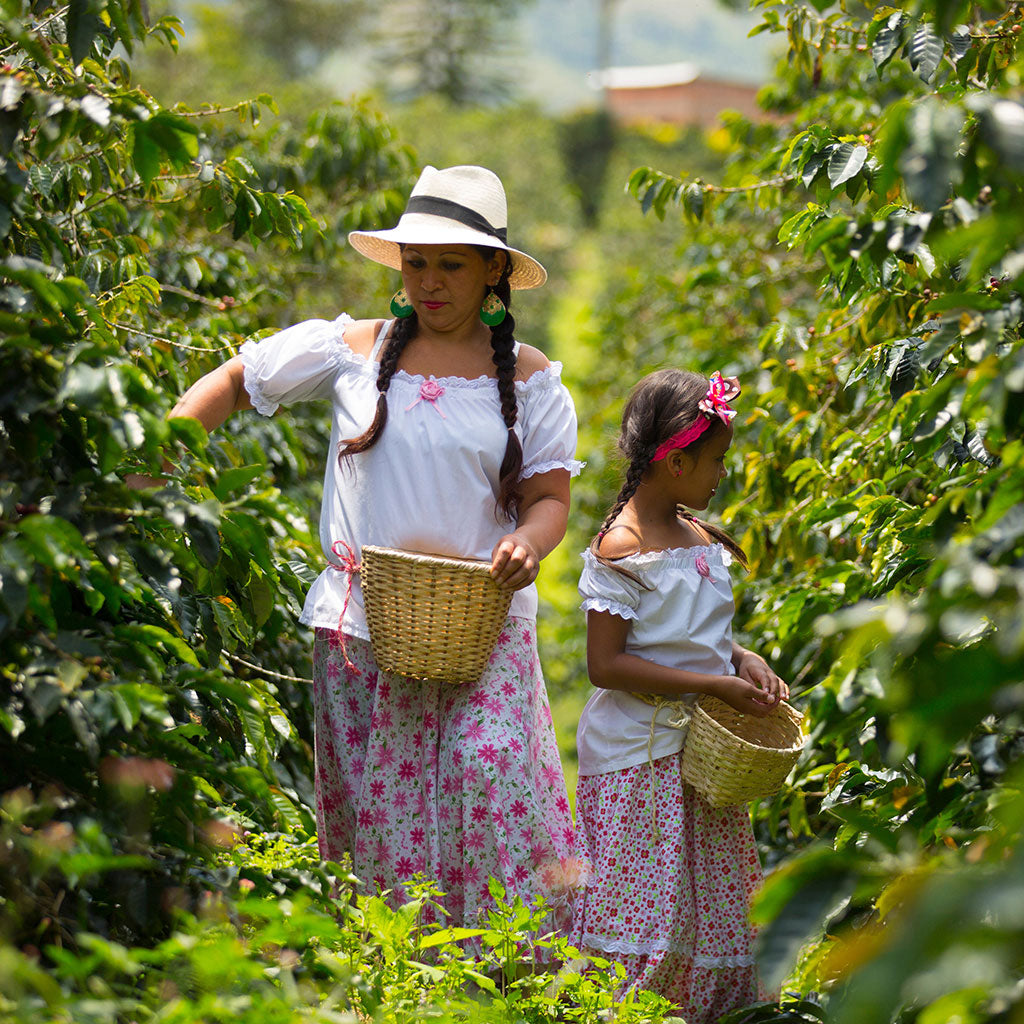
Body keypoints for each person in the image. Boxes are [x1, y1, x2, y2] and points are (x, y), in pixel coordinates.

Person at [140, 165, 582, 931]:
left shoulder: (532, 380)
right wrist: (161, 454)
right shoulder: (354, 352)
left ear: (493, 272)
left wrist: (527, 545)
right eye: (416, 263)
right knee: (386, 818)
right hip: (362, 629)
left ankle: (506, 969)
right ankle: (404, 978)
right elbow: (241, 379)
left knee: (491, 775)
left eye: (451, 265)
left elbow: (547, 499)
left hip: (482, 628)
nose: (430, 282)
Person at [571, 368, 788, 1021]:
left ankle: (708, 1009)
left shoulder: (697, 539)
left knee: (711, 905)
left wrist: (743, 660)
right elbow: (605, 666)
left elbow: (704, 635)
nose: (722, 472)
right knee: (648, 906)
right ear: (674, 460)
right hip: (640, 757)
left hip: (701, 758)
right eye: (715, 459)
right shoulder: (624, 548)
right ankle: (631, 1009)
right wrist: (709, 683)